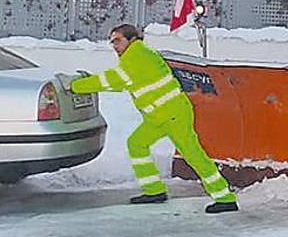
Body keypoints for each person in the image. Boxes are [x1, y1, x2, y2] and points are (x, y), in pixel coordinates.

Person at [68, 24, 239, 214]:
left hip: (173, 115)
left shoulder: (137, 56)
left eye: (117, 40)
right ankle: (154, 190)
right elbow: (119, 81)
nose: (113, 45)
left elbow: (112, 81)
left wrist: (75, 86)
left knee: (193, 155)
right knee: (137, 143)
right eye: (111, 41)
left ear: (132, 39)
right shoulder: (137, 56)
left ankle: (225, 197)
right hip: (159, 116)